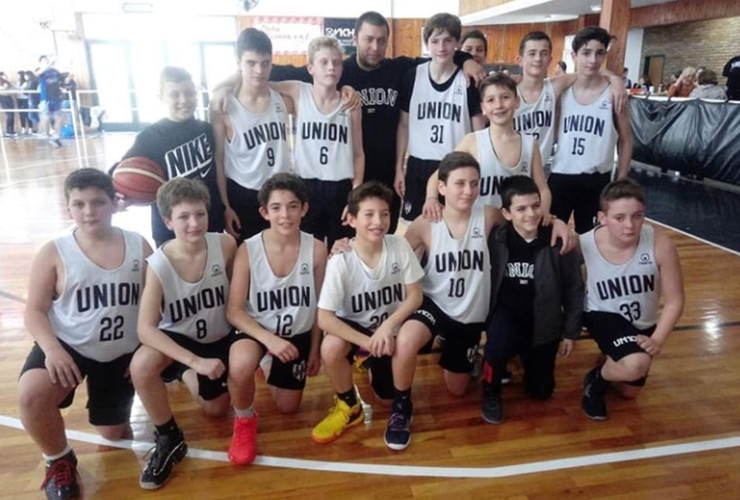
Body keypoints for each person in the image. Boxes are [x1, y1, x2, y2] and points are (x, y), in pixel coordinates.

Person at [212, 12, 485, 235]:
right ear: (355, 39)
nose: (374, 47)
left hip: (384, 171)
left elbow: (439, 54)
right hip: (341, 177)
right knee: (335, 241)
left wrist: (467, 59)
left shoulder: (399, 69)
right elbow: (265, 72)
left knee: (380, 234)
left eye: (381, 40)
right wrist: (226, 84)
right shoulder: (334, 72)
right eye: (368, 39)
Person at [18, 168, 151, 500]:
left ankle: (112, 411)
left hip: (120, 353)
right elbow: (34, 310)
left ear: (114, 204)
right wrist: (52, 349)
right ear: (68, 208)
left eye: (98, 202)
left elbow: (157, 306)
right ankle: (59, 460)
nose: (89, 211)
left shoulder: (139, 246)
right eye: (79, 204)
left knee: (112, 435)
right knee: (32, 394)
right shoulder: (54, 251)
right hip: (69, 347)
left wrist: (143, 351)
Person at [130, 178, 257, 489]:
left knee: (215, 410)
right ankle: (168, 435)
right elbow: (145, 329)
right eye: (184, 216)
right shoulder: (158, 264)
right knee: (142, 366)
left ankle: (183, 373)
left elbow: (239, 295)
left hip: (220, 332)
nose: (193, 223)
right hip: (182, 338)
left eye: (199, 214)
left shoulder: (225, 244)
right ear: (167, 220)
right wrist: (195, 361)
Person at [385, 151, 499, 450]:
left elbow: (526, 217)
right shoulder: (426, 222)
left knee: (458, 390)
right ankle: (401, 407)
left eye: (474, 184)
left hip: (470, 314)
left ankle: (461, 351)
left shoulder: (487, 215)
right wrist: (350, 244)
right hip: (435, 304)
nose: (468, 191)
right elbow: (392, 256)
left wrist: (556, 222)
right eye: (459, 183)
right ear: (442, 187)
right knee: (407, 340)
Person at [312, 181, 424, 444]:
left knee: (386, 398)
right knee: (330, 347)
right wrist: (367, 343)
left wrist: (388, 327)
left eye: (384, 213)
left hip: (388, 328)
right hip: (358, 330)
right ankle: (349, 406)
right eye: (369, 214)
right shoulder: (342, 259)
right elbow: (324, 318)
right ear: (351, 219)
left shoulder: (399, 246)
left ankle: (369, 362)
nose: (378, 221)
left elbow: (415, 295)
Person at [225, 173, 327, 447]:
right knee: (240, 364)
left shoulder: (317, 250)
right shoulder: (248, 249)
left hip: (297, 332)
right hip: (258, 329)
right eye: (276, 208)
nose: (285, 215)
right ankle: (244, 419)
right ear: (264, 212)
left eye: (293, 206)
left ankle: (268, 362)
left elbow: (321, 305)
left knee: (288, 407)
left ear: (304, 209)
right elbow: (234, 311)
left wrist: (315, 348)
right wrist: (269, 340)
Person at [481, 176, 583, 424]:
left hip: (543, 321)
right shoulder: (496, 239)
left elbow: (574, 288)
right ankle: (490, 389)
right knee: (495, 349)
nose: (531, 214)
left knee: (541, 392)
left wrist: (570, 332)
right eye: (521, 208)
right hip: (507, 314)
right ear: (506, 213)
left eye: (536, 206)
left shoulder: (558, 241)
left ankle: (524, 354)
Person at [580, 178, 684, 421]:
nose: (630, 225)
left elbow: (675, 300)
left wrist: (657, 338)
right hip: (603, 315)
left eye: (637, 216)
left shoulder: (660, 244)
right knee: (635, 364)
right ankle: (596, 382)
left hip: (642, 323)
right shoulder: (584, 244)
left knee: (629, 392)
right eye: (619, 218)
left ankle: (607, 363)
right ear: (602, 217)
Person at [268, 36, 364, 249]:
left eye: (337, 62)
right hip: (306, 186)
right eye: (324, 62)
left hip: (340, 187)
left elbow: (358, 153)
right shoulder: (298, 91)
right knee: (310, 250)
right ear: (310, 67)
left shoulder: (350, 103)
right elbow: (260, 81)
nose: (331, 67)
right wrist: (228, 83)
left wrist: (354, 195)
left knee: (343, 250)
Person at [115, 67, 225, 247]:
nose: (184, 100)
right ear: (161, 96)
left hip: (209, 220)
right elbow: (122, 171)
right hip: (170, 228)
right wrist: (118, 197)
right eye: (175, 94)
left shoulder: (206, 129)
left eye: (189, 93)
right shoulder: (149, 138)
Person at [395, 13, 486, 223]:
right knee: (415, 228)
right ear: (427, 43)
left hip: (454, 166)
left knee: (452, 228)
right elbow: (403, 126)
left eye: (447, 40)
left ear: (457, 43)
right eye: (435, 41)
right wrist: (399, 169)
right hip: (418, 165)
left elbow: (479, 133)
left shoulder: (468, 80)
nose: (441, 47)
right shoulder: (412, 76)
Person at [423, 74, 552, 220]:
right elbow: (438, 176)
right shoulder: (471, 141)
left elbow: (542, 188)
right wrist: (431, 199)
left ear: (517, 101)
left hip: (516, 227)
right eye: (491, 100)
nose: (499, 105)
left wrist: (544, 212)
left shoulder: (530, 143)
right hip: (479, 226)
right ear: (483, 108)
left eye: (505, 97)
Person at [548, 26, 633, 234]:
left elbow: (626, 139)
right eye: (586, 53)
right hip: (561, 175)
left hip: (596, 179)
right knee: (549, 235)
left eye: (599, 53)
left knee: (592, 240)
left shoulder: (614, 94)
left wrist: (621, 178)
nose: (593, 60)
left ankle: (584, 268)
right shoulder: (562, 90)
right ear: (574, 56)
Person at [210, 28, 291, 243]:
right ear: (238, 62)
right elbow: (218, 159)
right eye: (251, 63)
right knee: (247, 261)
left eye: (265, 63)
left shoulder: (283, 98)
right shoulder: (223, 106)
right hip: (243, 194)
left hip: (279, 191)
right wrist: (226, 206)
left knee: (282, 256)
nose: (259, 70)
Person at [513, 31, 626, 166]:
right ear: (519, 60)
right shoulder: (507, 90)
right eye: (532, 53)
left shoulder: (555, 86)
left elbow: (589, 69)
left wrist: (615, 79)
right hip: (508, 166)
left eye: (543, 53)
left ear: (549, 60)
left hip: (537, 170)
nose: (538, 59)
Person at [36, 56, 64, 147]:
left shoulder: (55, 71)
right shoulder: (41, 71)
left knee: (59, 117)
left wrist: (63, 87)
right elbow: (38, 74)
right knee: (46, 117)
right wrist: (48, 66)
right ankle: (43, 133)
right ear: (40, 63)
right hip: (46, 98)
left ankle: (56, 136)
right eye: (44, 61)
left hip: (56, 98)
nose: (46, 62)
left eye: (47, 60)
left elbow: (62, 80)